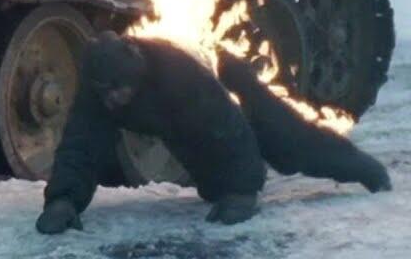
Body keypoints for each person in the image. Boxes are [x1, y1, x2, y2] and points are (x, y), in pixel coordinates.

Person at [35, 32, 390, 234]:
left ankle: (369, 171)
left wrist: (242, 191)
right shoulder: (100, 88)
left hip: (227, 78)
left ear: (134, 73)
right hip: (184, 120)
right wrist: (63, 200)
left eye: (118, 88)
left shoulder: (177, 74)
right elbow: (80, 143)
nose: (113, 98)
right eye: (105, 92)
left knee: (287, 142)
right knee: (211, 185)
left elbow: (227, 131)